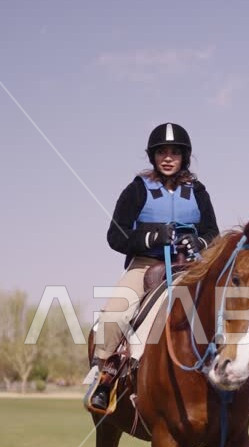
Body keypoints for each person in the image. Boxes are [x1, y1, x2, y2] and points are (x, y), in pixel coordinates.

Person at [89, 122, 219, 411]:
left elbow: (213, 233)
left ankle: (237, 385)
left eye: (175, 152)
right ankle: (104, 378)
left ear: (184, 157)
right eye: (162, 152)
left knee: (228, 310)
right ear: (154, 157)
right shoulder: (137, 190)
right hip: (146, 266)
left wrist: (200, 243)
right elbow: (115, 236)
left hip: (191, 267)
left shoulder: (198, 191)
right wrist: (150, 236)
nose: (168, 157)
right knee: (114, 315)